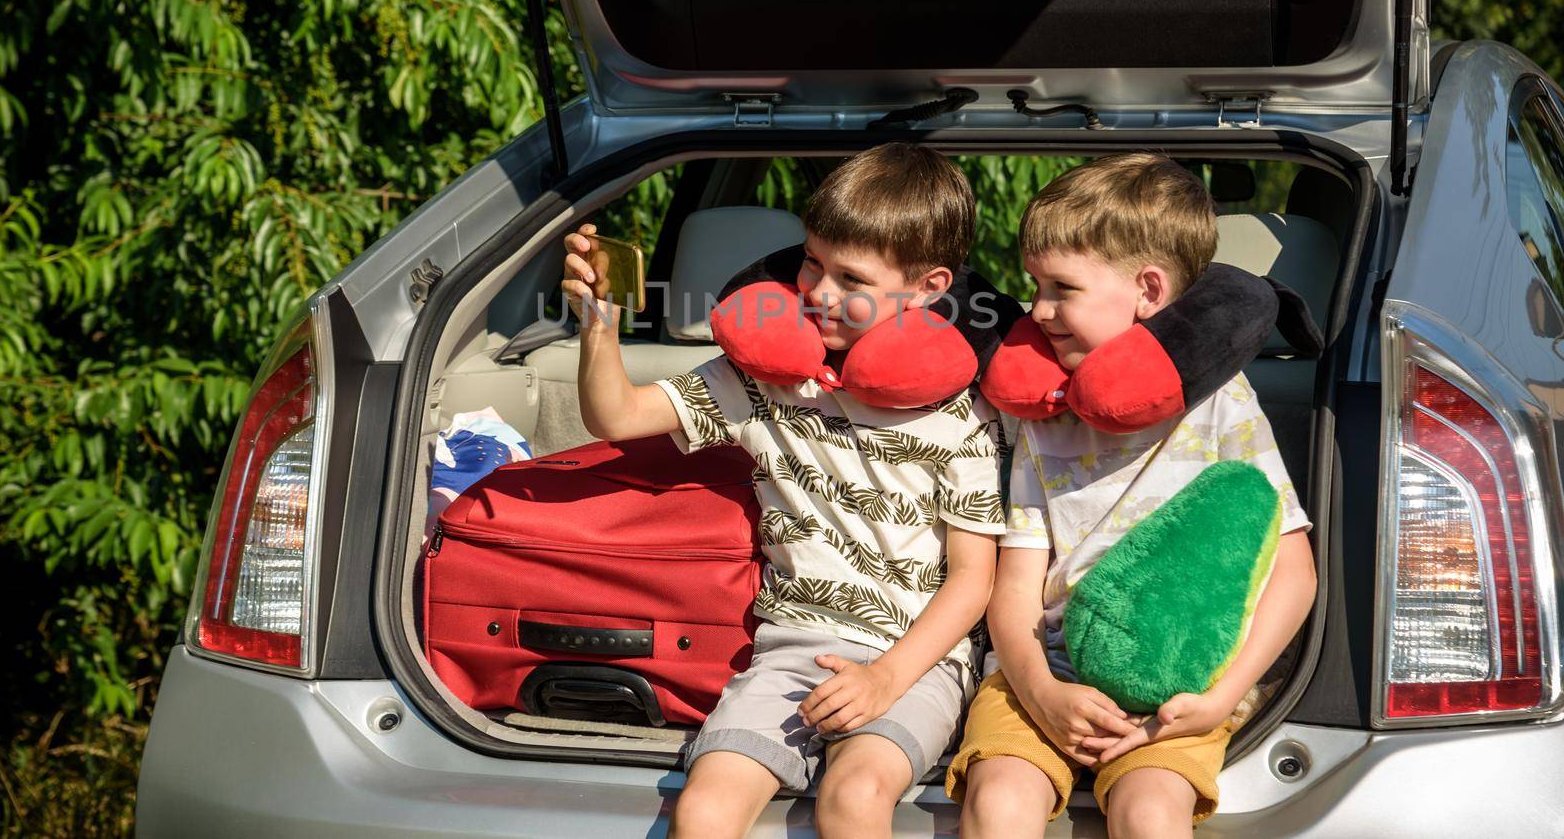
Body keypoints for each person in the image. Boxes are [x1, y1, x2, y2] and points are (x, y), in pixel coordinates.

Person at [560, 142, 1006, 839]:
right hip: (790, 651)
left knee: (854, 799)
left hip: (916, 661)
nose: (819, 292)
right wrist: (599, 325)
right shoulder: (761, 381)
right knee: (705, 808)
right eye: (812, 262)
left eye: (850, 277)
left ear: (927, 288)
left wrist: (887, 678)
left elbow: (975, 578)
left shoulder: (964, 414)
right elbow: (617, 416)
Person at [946, 153, 1316, 839]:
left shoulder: (1223, 408)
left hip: (1178, 689)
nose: (1037, 310)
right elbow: (1017, 584)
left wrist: (1217, 702)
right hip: (1043, 673)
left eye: (1061, 288)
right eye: (1034, 285)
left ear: (1147, 289)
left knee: (1150, 815)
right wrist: (1042, 692)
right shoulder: (1042, 414)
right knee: (996, 805)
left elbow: (1292, 574)